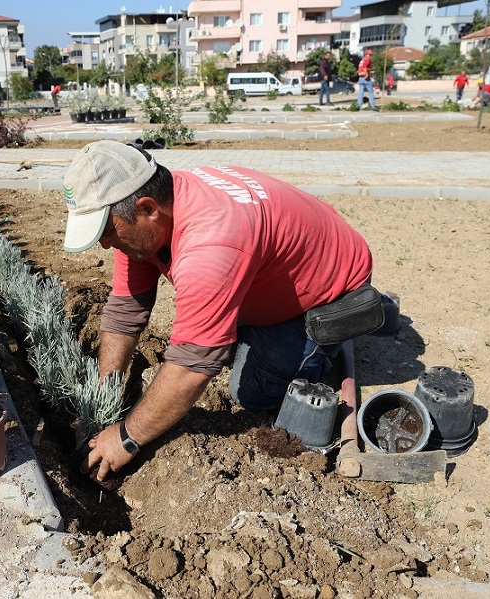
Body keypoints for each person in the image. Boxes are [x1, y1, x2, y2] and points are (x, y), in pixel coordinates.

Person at [61, 140, 380, 481]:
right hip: (275, 262)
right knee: (212, 328)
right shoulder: (155, 213)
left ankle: (338, 332)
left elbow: (193, 366)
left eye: (108, 230)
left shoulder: (210, 243)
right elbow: (126, 309)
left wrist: (126, 437)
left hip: (328, 289)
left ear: (148, 208)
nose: (106, 244)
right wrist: (105, 393)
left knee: (252, 392)